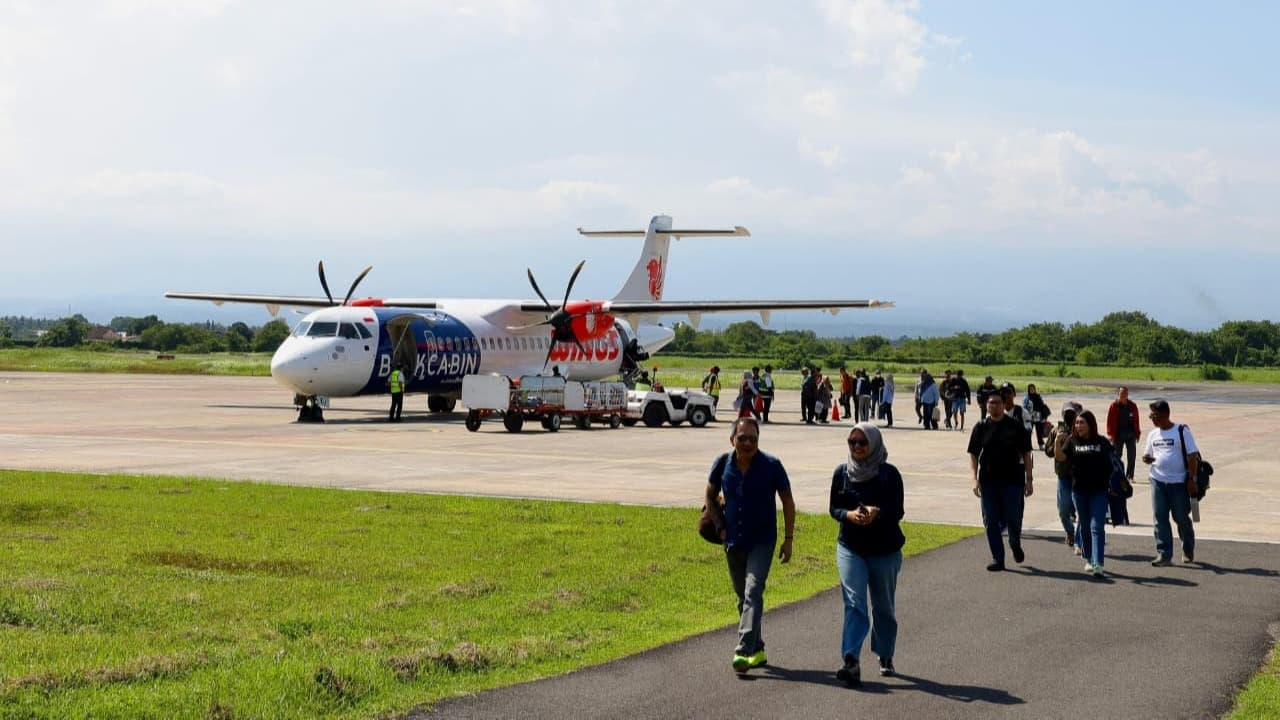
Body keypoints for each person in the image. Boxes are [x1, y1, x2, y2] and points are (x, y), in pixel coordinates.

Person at [704, 418, 796, 673]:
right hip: (733, 540)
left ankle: (743, 650)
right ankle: (757, 648)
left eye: (752, 439)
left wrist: (789, 540)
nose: (747, 443)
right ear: (732, 439)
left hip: (762, 540)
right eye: (742, 438)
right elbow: (709, 496)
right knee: (742, 597)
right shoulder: (722, 463)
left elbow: (788, 501)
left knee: (752, 591)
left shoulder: (771, 465)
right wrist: (720, 526)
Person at [829, 422, 905, 686]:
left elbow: (898, 511)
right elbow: (834, 508)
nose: (857, 447)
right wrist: (849, 515)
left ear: (873, 443)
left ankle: (885, 654)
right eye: (852, 442)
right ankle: (851, 660)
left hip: (885, 550)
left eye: (862, 443)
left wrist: (877, 512)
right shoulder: (842, 473)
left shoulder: (889, 474)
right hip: (851, 547)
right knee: (854, 603)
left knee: (883, 606)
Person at [968, 393, 1034, 571]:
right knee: (990, 519)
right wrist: (974, 479)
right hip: (989, 481)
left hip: (1013, 480)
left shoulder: (1015, 426)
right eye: (991, 403)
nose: (994, 406)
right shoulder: (981, 427)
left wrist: (1029, 479)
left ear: (1004, 405)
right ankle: (998, 559)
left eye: (997, 403)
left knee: (1014, 517)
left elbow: (1027, 453)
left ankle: (1014, 542)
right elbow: (973, 453)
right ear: (986, 405)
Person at [1055, 410, 1113, 577]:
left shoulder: (1101, 442)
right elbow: (1060, 458)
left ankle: (1098, 563)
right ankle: (1088, 558)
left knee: (1097, 527)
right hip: (1079, 492)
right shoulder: (1072, 441)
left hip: (1099, 492)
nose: (1078, 426)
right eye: (1077, 423)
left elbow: (1111, 463)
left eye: (1082, 423)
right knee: (1085, 527)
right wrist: (1059, 442)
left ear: (1090, 424)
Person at [1142, 399, 1199, 566]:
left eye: (1155, 415)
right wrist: (1147, 458)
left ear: (1166, 414)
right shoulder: (1153, 434)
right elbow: (1148, 454)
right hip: (1157, 480)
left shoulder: (1181, 431)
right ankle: (1164, 554)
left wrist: (1191, 479)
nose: (1153, 418)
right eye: (1151, 415)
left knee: (1181, 517)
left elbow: (1192, 456)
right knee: (1159, 517)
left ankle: (1188, 548)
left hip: (1179, 482)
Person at [1045, 402, 1083, 551]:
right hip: (1063, 477)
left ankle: (1079, 540)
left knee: (1081, 511)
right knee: (1063, 510)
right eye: (1067, 413)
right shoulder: (1056, 430)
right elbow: (1048, 452)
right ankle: (1069, 531)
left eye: (1072, 413)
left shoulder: (1082, 429)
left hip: (1079, 477)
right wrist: (1057, 442)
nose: (1069, 416)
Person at [1107, 386, 1141, 482]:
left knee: (1132, 456)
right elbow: (1109, 421)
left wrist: (1137, 433)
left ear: (1127, 394)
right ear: (1118, 394)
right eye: (1121, 394)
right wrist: (1110, 434)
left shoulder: (1132, 406)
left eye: (1125, 394)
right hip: (1118, 435)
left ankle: (1130, 476)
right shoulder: (1114, 406)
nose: (1123, 396)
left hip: (1130, 434)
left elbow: (1136, 420)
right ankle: (1116, 474)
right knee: (1117, 456)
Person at [1023, 383, 1052, 449]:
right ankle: (1028, 445)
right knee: (1029, 432)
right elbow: (1024, 407)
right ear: (1028, 390)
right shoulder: (1026, 398)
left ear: (1035, 389)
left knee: (1039, 432)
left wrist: (1044, 416)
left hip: (1038, 417)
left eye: (1033, 389)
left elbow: (1042, 406)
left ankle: (1040, 445)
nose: (1032, 390)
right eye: (1030, 389)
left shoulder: (1038, 397)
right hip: (1029, 417)